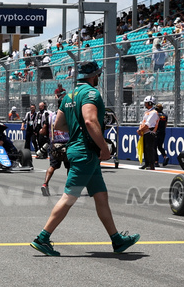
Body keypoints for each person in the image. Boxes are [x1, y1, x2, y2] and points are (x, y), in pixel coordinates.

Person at [29, 61, 139, 256]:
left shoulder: (69, 95)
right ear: (94, 75)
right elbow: (90, 120)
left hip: (78, 150)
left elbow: (59, 125)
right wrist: (104, 148)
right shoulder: (91, 93)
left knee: (101, 196)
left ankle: (117, 240)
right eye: (98, 74)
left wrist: (76, 126)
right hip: (86, 152)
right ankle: (43, 238)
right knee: (69, 196)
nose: (98, 77)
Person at [138, 96, 160, 170]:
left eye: (146, 102)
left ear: (150, 103)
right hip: (145, 132)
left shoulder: (153, 113)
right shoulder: (147, 112)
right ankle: (147, 163)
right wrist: (140, 129)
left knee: (149, 149)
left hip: (150, 132)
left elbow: (148, 124)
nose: (145, 104)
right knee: (145, 149)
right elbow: (143, 122)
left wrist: (141, 130)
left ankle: (151, 164)